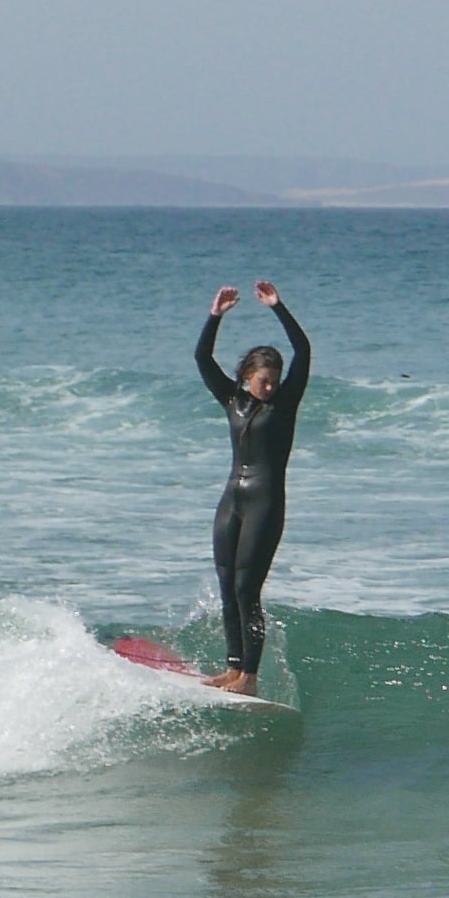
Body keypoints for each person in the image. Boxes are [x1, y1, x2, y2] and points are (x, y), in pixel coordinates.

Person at [195, 280, 310, 696]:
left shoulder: (285, 404)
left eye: (274, 379)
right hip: (233, 500)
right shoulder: (232, 400)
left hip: (265, 503)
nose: (270, 386)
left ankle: (251, 677)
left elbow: (304, 351)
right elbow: (202, 358)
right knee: (227, 585)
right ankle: (232, 668)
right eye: (264, 380)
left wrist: (279, 307)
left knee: (248, 589)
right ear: (247, 376)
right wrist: (215, 316)